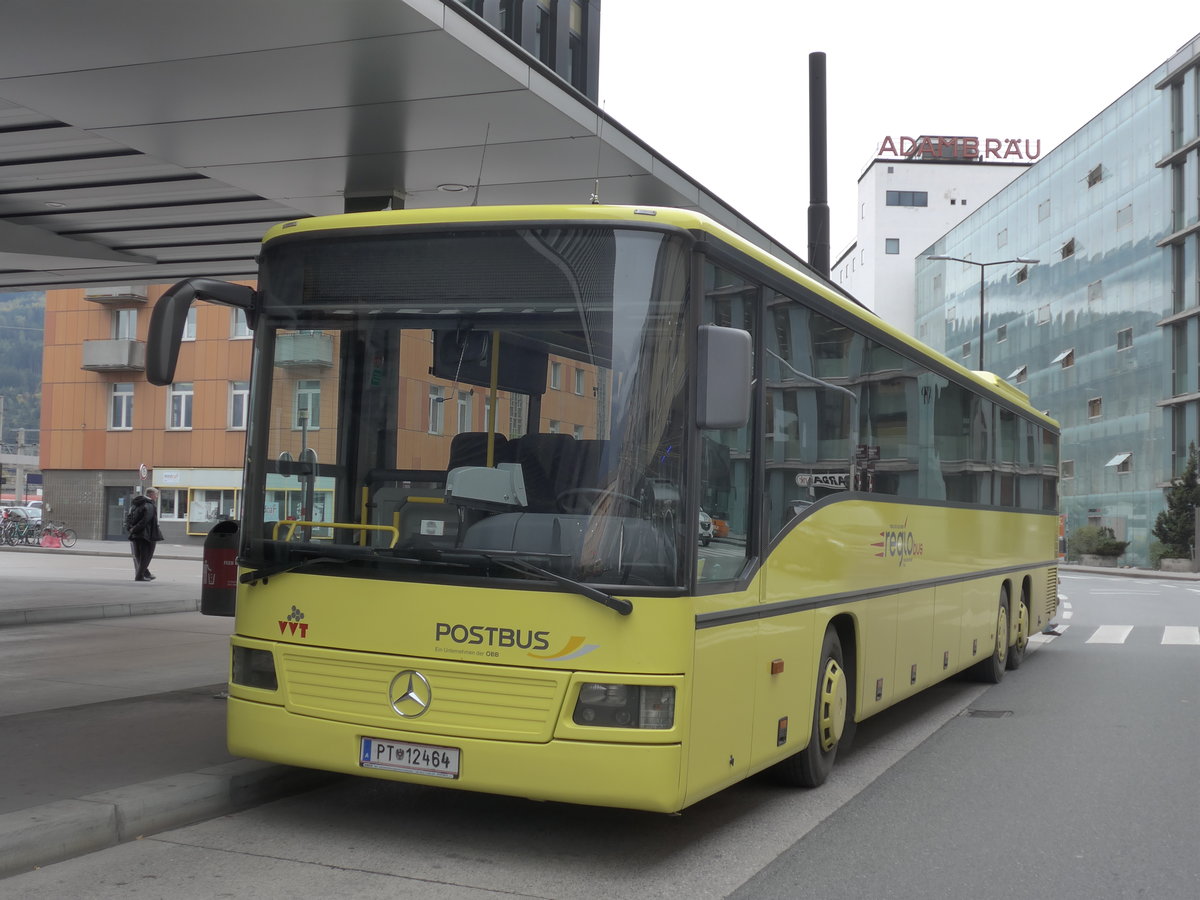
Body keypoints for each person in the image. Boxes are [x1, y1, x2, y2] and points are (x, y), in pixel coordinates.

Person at [126, 488, 164, 582]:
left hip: (135, 534)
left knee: (139, 555)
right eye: (156, 494)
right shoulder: (149, 505)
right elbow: (146, 520)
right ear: (151, 495)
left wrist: (131, 529)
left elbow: (128, 517)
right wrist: (135, 529)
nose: (157, 497)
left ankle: (146, 573)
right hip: (147, 534)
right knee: (146, 556)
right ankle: (139, 576)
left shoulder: (135, 504)